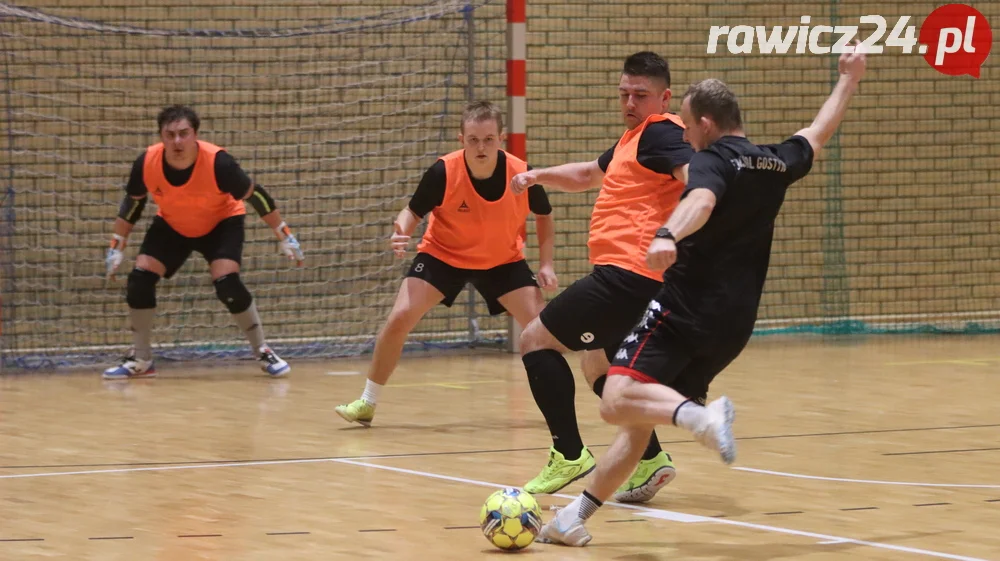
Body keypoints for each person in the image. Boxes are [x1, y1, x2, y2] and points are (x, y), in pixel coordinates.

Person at [537, 45, 868, 547]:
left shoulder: (713, 162)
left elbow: (701, 198)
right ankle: (572, 518)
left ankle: (702, 420)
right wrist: (848, 80)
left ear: (708, 124)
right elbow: (817, 135)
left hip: (681, 312)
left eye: (688, 126)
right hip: (733, 326)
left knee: (615, 401)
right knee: (639, 422)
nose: (684, 135)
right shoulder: (773, 161)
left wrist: (668, 233)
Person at [508, 51, 693, 503]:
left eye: (640, 95)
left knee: (534, 339)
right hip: (634, 279)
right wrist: (538, 176)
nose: (630, 102)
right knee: (597, 362)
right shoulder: (634, 140)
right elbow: (590, 174)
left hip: (627, 276)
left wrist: (687, 226)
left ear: (664, 97)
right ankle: (648, 459)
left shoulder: (661, 133)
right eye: (624, 93)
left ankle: (568, 454)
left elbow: (695, 175)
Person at [334, 100, 557, 426]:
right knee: (400, 317)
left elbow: (545, 215)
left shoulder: (521, 173)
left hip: (502, 260)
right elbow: (411, 212)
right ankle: (367, 402)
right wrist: (401, 233)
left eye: (488, 139)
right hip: (443, 256)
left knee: (545, 332)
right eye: (473, 140)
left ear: (502, 138)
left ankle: (560, 409)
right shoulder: (443, 171)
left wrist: (547, 263)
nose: (481, 147)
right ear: (461, 138)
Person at [103, 104, 304, 380]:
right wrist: (117, 245)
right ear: (161, 136)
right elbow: (133, 204)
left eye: (184, 134)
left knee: (227, 283)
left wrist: (284, 234)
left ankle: (263, 350)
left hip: (221, 223)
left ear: (195, 134)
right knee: (139, 279)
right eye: (170, 134)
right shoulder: (146, 162)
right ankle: (141, 359)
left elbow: (255, 195)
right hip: (173, 224)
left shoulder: (219, 163)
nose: (177, 141)